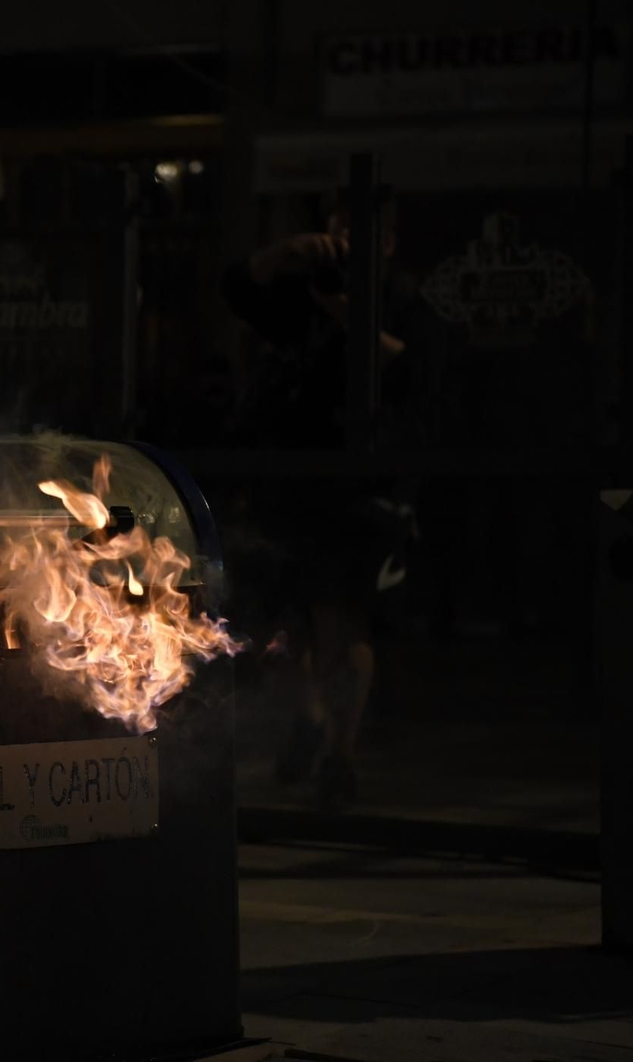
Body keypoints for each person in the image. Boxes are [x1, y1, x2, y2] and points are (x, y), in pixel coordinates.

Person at [221, 189, 420, 809]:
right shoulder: (303, 293)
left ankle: (341, 755)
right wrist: (289, 253)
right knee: (282, 628)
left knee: (343, 626)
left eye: (356, 237)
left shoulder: (399, 300)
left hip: (357, 489)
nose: (345, 248)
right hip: (286, 483)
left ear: (386, 243)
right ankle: (308, 718)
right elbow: (238, 290)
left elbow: (411, 366)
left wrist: (344, 309)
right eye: (336, 235)